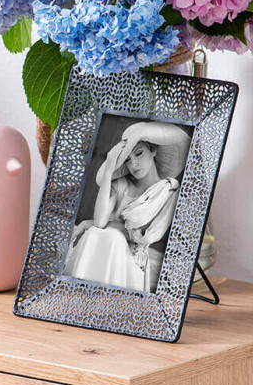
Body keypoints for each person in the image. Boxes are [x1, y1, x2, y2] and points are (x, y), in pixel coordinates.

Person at [64, 120, 191, 292]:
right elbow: (100, 222)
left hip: (130, 262)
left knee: (110, 236)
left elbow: (143, 236)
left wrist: (90, 223)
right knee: (98, 233)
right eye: (127, 160)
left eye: (139, 153)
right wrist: (108, 171)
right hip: (104, 247)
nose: (133, 165)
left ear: (153, 150)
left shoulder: (168, 190)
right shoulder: (121, 184)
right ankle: (82, 295)